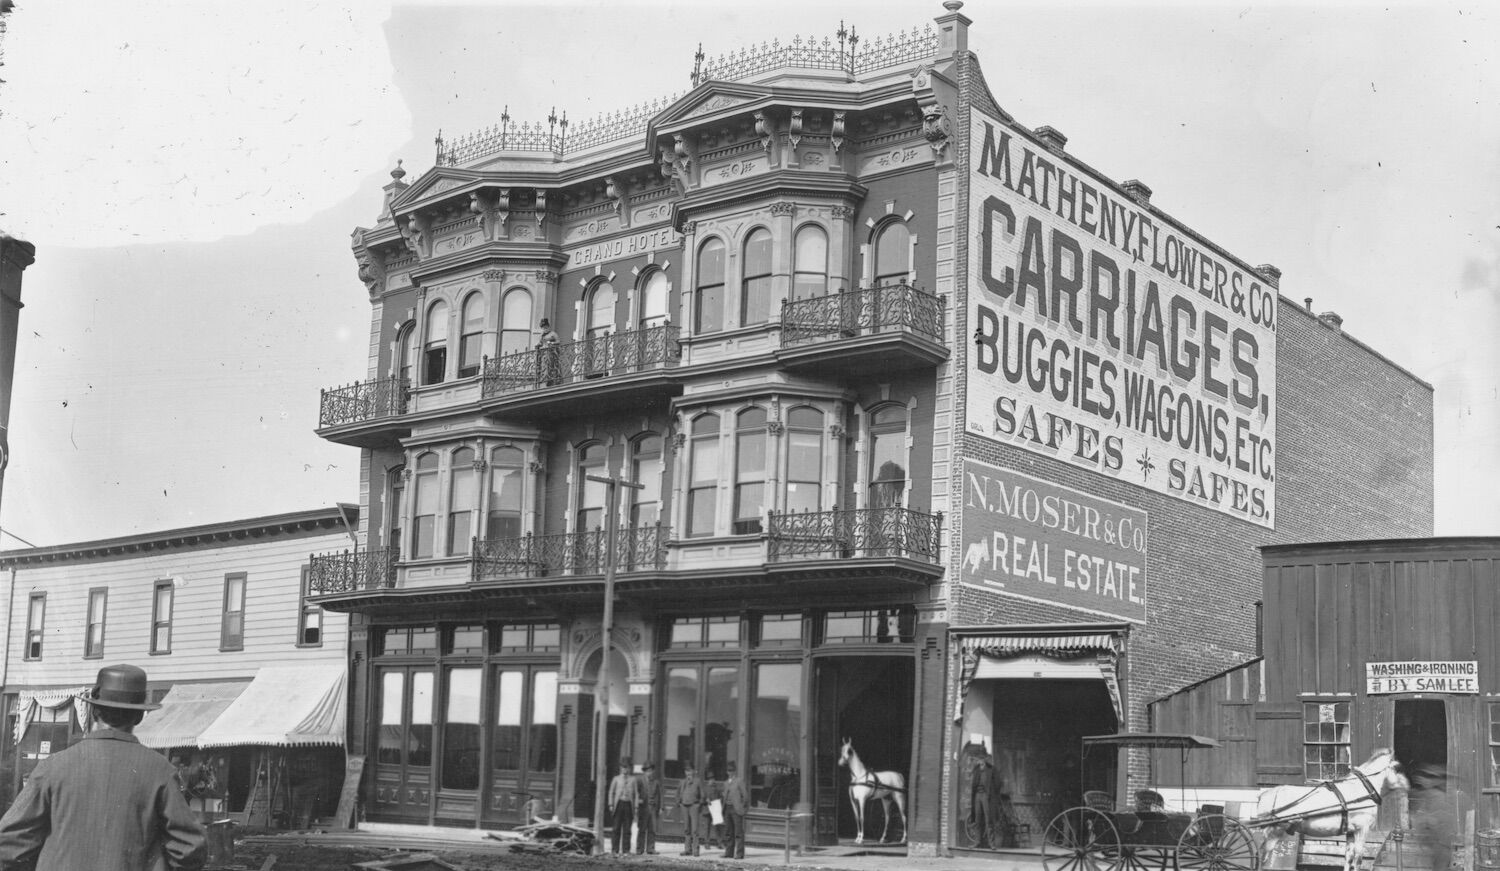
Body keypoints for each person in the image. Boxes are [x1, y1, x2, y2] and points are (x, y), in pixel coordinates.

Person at [0, 663, 207, 871]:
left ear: (92, 711)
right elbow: (190, 849)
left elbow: (9, 843)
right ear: (139, 716)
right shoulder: (161, 771)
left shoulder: (52, 767)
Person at [607, 757, 640, 855]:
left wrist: (636, 806)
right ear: (620, 768)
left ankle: (626, 849)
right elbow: (611, 792)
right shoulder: (616, 779)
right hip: (619, 804)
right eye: (623, 767)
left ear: (629, 768)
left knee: (627, 829)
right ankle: (614, 849)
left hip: (628, 805)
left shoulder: (633, 779)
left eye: (626, 767)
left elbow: (636, 794)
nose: (625, 769)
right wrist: (611, 804)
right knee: (616, 828)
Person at [969, 751, 1001, 849]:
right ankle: (977, 841)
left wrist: (992, 794)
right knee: (977, 819)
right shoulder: (976, 770)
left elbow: (998, 783)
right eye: (979, 759)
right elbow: (973, 783)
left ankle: (991, 843)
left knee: (989, 820)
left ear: (985, 760)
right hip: (978, 796)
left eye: (982, 759)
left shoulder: (991, 769)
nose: (980, 760)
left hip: (987, 797)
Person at [721, 760, 750, 860]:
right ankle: (729, 852)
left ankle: (740, 854)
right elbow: (724, 796)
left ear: (735, 771)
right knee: (728, 832)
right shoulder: (725, 783)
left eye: (732, 770)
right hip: (727, 809)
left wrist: (742, 807)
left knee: (738, 832)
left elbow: (745, 796)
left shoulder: (739, 781)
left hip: (736, 809)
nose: (730, 772)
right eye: (728, 770)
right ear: (727, 771)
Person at [678, 761, 708, 856]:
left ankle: (695, 849)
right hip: (684, 806)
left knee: (694, 829)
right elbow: (678, 794)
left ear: (694, 771)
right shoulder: (682, 782)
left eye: (690, 771)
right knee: (686, 829)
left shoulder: (698, 781)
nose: (688, 773)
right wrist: (680, 803)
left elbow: (703, 795)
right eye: (686, 771)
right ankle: (687, 849)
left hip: (694, 807)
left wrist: (698, 804)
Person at [636, 760, 661, 854]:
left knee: (652, 829)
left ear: (653, 771)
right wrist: (638, 801)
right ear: (644, 771)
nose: (649, 773)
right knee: (642, 829)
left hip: (653, 809)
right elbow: (636, 793)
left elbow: (659, 795)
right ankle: (639, 848)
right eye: (647, 771)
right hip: (643, 808)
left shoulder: (656, 782)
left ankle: (650, 848)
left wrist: (660, 807)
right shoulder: (640, 781)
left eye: (650, 771)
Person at [536, 318, 561, 385]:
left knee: (550, 365)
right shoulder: (541, 335)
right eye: (543, 328)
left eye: (546, 327)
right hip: (543, 353)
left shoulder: (553, 334)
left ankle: (550, 378)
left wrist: (552, 343)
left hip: (551, 352)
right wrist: (538, 345)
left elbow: (558, 341)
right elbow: (540, 343)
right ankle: (544, 377)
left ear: (548, 327)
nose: (545, 329)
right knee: (544, 366)